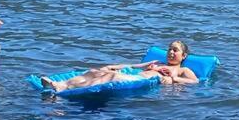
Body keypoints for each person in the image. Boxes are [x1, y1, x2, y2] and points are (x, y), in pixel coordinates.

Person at [41, 40, 199, 92]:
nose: (170, 52)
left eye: (175, 50)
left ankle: (68, 89)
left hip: (141, 82)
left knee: (110, 77)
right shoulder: (156, 63)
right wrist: (114, 66)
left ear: (183, 56)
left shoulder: (182, 70)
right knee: (95, 71)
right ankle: (61, 84)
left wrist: (174, 77)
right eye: (169, 49)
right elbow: (133, 66)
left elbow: (195, 82)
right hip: (136, 76)